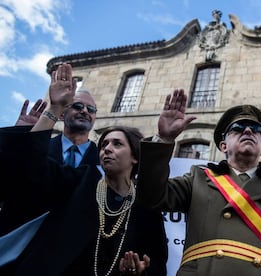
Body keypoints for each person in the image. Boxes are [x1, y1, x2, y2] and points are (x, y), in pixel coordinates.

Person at [0, 63, 168, 275]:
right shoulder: (85, 177)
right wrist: (47, 116)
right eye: (104, 144)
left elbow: (155, 258)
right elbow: (28, 171)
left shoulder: (142, 204)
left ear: (135, 156)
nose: (107, 149)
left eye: (117, 144)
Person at [136, 89, 261, 276]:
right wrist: (164, 139)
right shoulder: (198, 178)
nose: (248, 131)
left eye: (256, 130)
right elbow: (151, 196)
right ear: (223, 145)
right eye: (238, 128)